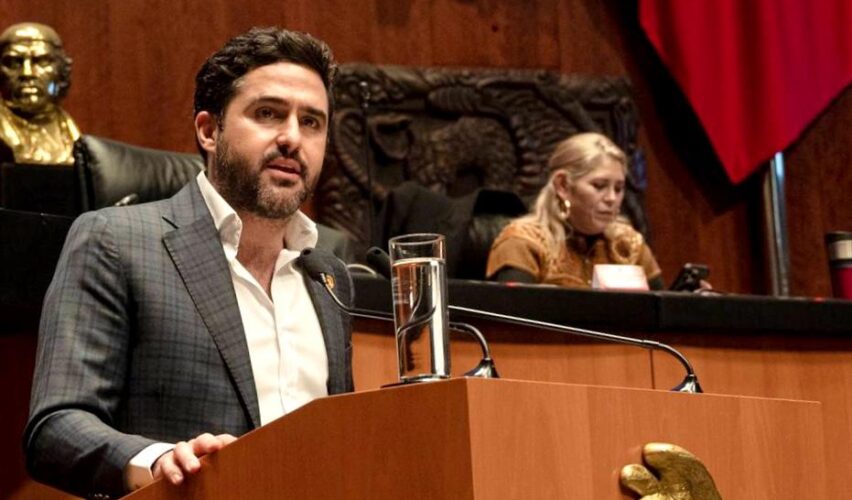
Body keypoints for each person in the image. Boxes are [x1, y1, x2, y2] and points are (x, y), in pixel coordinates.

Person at [24, 27, 353, 498]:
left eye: (312, 122)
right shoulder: (115, 242)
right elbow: (56, 428)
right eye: (268, 113)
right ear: (208, 130)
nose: (292, 138)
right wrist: (156, 461)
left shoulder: (328, 276)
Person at [486, 132, 664, 289]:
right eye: (599, 185)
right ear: (563, 185)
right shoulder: (523, 242)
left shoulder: (629, 245)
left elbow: (664, 309)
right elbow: (513, 315)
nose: (612, 198)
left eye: (618, 188)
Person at [0, 22, 80, 164]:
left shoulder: (73, 136)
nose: (27, 73)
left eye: (42, 61)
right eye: (14, 63)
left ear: (61, 71)